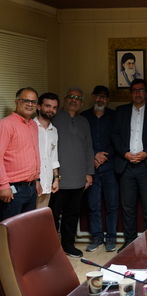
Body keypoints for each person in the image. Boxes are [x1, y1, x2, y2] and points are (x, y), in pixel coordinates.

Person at [112, 79, 147, 252]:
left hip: (146, 165)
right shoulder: (121, 111)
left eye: (141, 90)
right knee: (128, 207)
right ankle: (130, 242)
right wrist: (125, 153)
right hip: (126, 165)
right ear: (131, 93)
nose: (138, 93)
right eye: (135, 90)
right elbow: (115, 135)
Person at [50, 88, 94, 258]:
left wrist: (89, 172)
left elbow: (88, 148)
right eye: (71, 97)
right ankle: (53, 249)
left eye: (78, 98)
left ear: (82, 103)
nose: (74, 100)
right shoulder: (54, 118)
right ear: (65, 99)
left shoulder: (84, 121)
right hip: (58, 178)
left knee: (72, 214)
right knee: (53, 215)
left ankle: (68, 245)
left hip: (79, 177)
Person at [81, 85, 119, 252]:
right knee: (93, 205)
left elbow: (119, 140)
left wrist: (104, 156)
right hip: (91, 168)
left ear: (108, 99)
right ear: (93, 97)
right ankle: (96, 238)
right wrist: (94, 155)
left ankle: (111, 238)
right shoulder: (84, 117)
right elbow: (81, 141)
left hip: (110, 167)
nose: (100, 99)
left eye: (103, 97)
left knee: (112, 205)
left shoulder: (114, 116)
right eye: (98, 96)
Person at [0, 87, 41, 221]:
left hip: (31, 188)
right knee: (10, 228)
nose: (30, 104)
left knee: (27, 227)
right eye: (26, 101)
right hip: (13, 189)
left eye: (33, 102)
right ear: (17, 101)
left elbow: (34, 153)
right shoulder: (6, 124)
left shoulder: (34, 125)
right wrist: (3, 186)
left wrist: (37, 180)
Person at [34, 92, 60, 209]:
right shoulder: (30, 127)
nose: (51, 110)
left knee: (39, 218)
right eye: (48, 106)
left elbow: (54, 157)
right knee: (25, 219)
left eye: (54, 107)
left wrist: (56, 179)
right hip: (32, 185)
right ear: (39, 106)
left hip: (47, 184)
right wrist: (35, 180)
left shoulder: (54, 130)